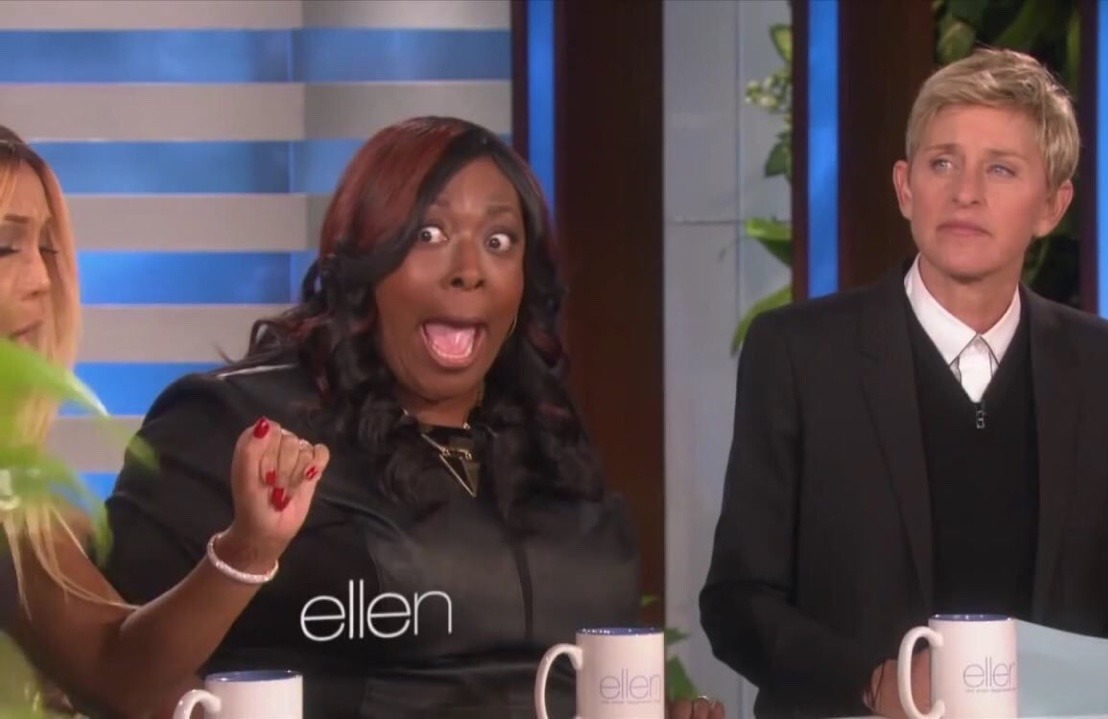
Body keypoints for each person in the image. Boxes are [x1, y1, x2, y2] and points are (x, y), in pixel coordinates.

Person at [98, 116, 725, 719]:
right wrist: (247, 552)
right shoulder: (232, 422)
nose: (469, 271)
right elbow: (120, 680)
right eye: (427, 235)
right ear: (363, 259)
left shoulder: (547, 437)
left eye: (499, 242)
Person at [700, 48, 1108, 718]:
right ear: (905, 187)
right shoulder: (800, 353)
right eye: (942, 163)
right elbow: (738, 601)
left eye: (1000, 169)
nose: (965, 192)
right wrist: (875, 684)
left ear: (1052, 205)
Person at [0, 126, 330, 717]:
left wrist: (251, 547)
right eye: (5, 247)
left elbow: (128, 673)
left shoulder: (27, 509)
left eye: (46, 249)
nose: (42, 281)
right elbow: (120, 675)